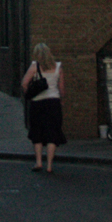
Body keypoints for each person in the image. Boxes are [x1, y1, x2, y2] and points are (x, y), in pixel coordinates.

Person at [21, 43, 66, 173]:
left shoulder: (34, 66)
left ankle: (39, 162)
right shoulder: (58, 67)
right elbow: (61, 88)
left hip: (37, 104)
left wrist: (30, 93)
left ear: (36, 54)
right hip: (53, 103)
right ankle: (49, 166)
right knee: (53, 133)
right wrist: (62, 100)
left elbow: (24, 83)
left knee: (37, 133)